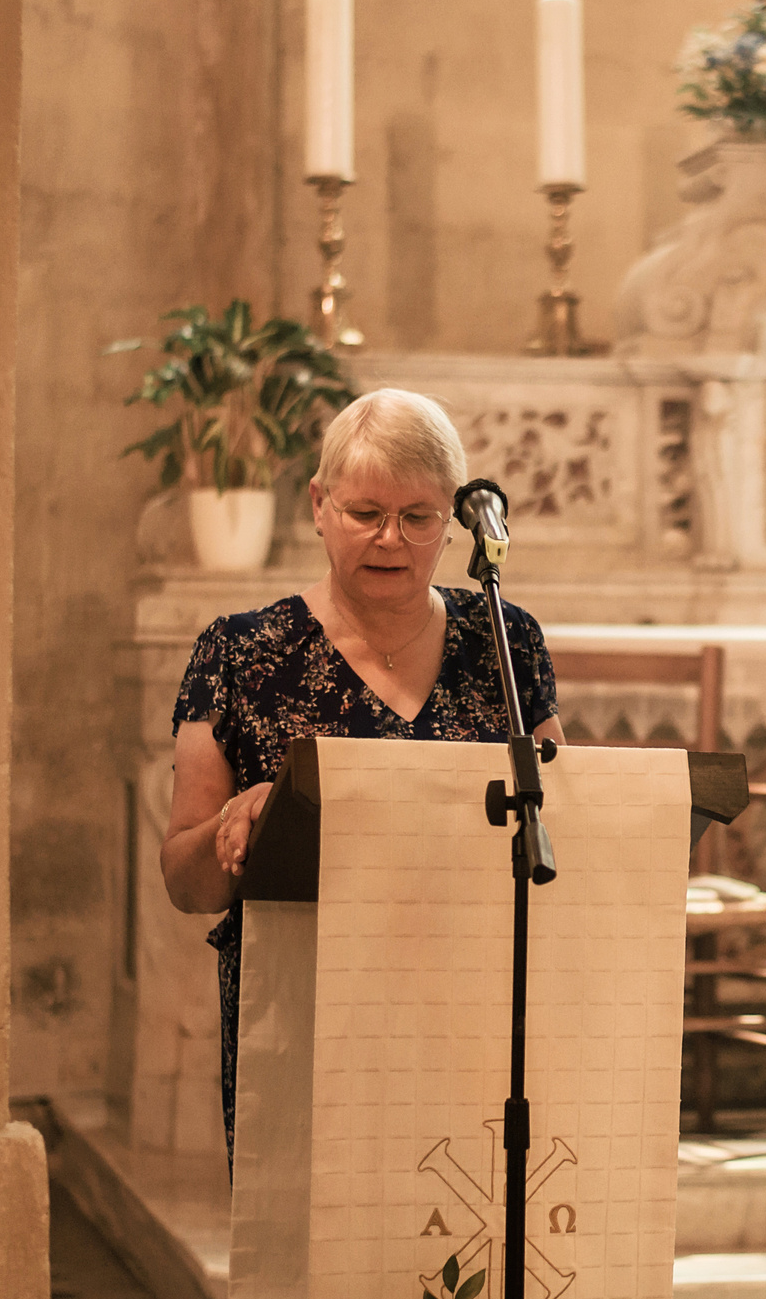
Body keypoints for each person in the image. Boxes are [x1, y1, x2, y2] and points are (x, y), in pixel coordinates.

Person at [161, 387, 565, 1167]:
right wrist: (238, 821)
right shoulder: (241, 653)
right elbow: (186, 885)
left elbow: (561, 815)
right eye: (364, 512)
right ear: (318, 505)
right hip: (308, 1024)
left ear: (453, 520)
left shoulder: (503, 638)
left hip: (473, 1016)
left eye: (419, 518)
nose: (391, 539)